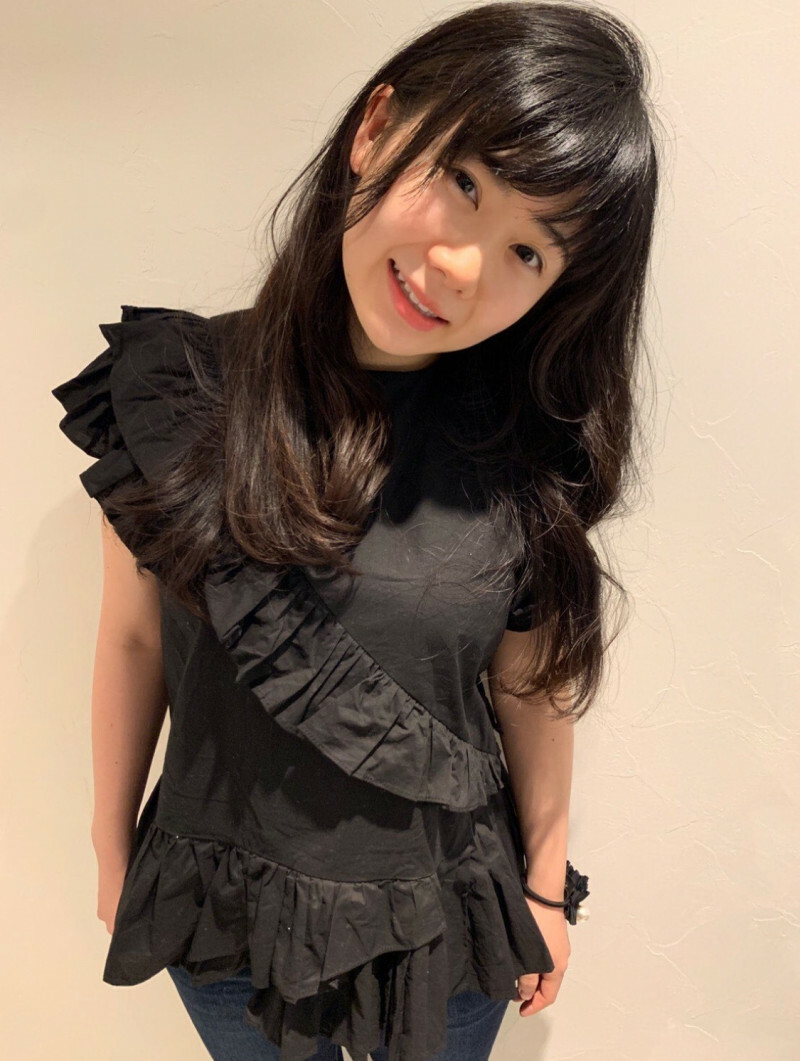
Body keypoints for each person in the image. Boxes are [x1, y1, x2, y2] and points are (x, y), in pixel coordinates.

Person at [51, 2, 661, 1059]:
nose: (462, 266)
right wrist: (109, 846)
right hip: (221, 914)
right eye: (463, 182)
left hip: (443, 928)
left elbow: (531, 685)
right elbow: (135, 637)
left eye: (527, 250)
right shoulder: (172, 398)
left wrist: (544, 884)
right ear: (376, 128)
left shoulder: (524, 457)